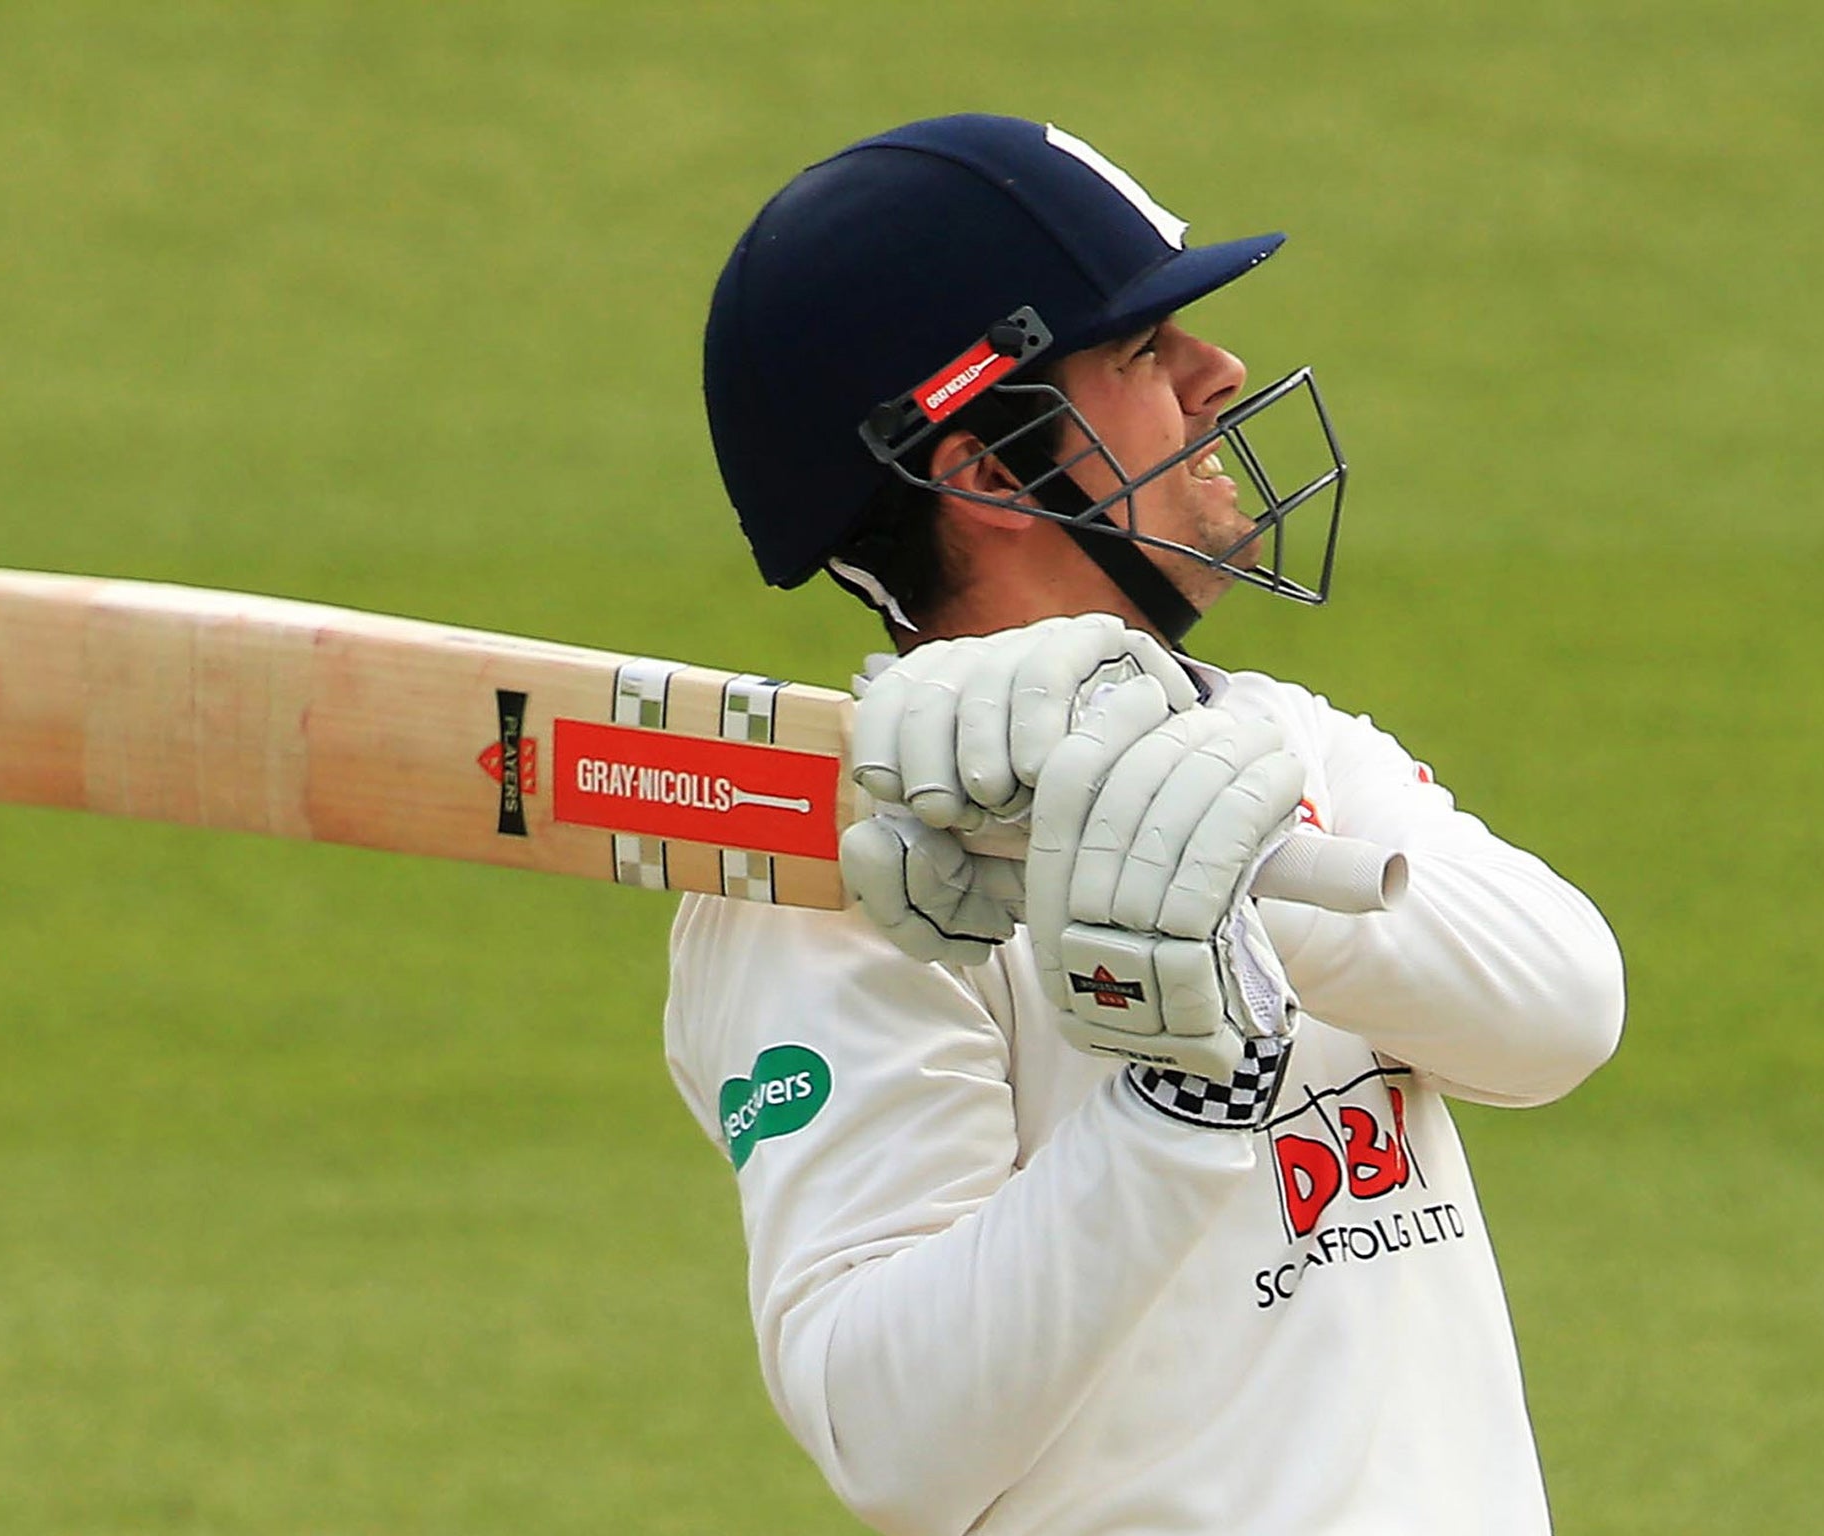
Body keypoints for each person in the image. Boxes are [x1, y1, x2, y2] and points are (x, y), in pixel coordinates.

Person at [665, 114, 1623, 1536]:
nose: (1216, 370)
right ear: (986, 471)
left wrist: (1221, 863)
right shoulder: (848, 870)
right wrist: (1180, 1101)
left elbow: (1562, 1016)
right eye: (1138, 350)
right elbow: (890, 1434)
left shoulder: (1271, 735)